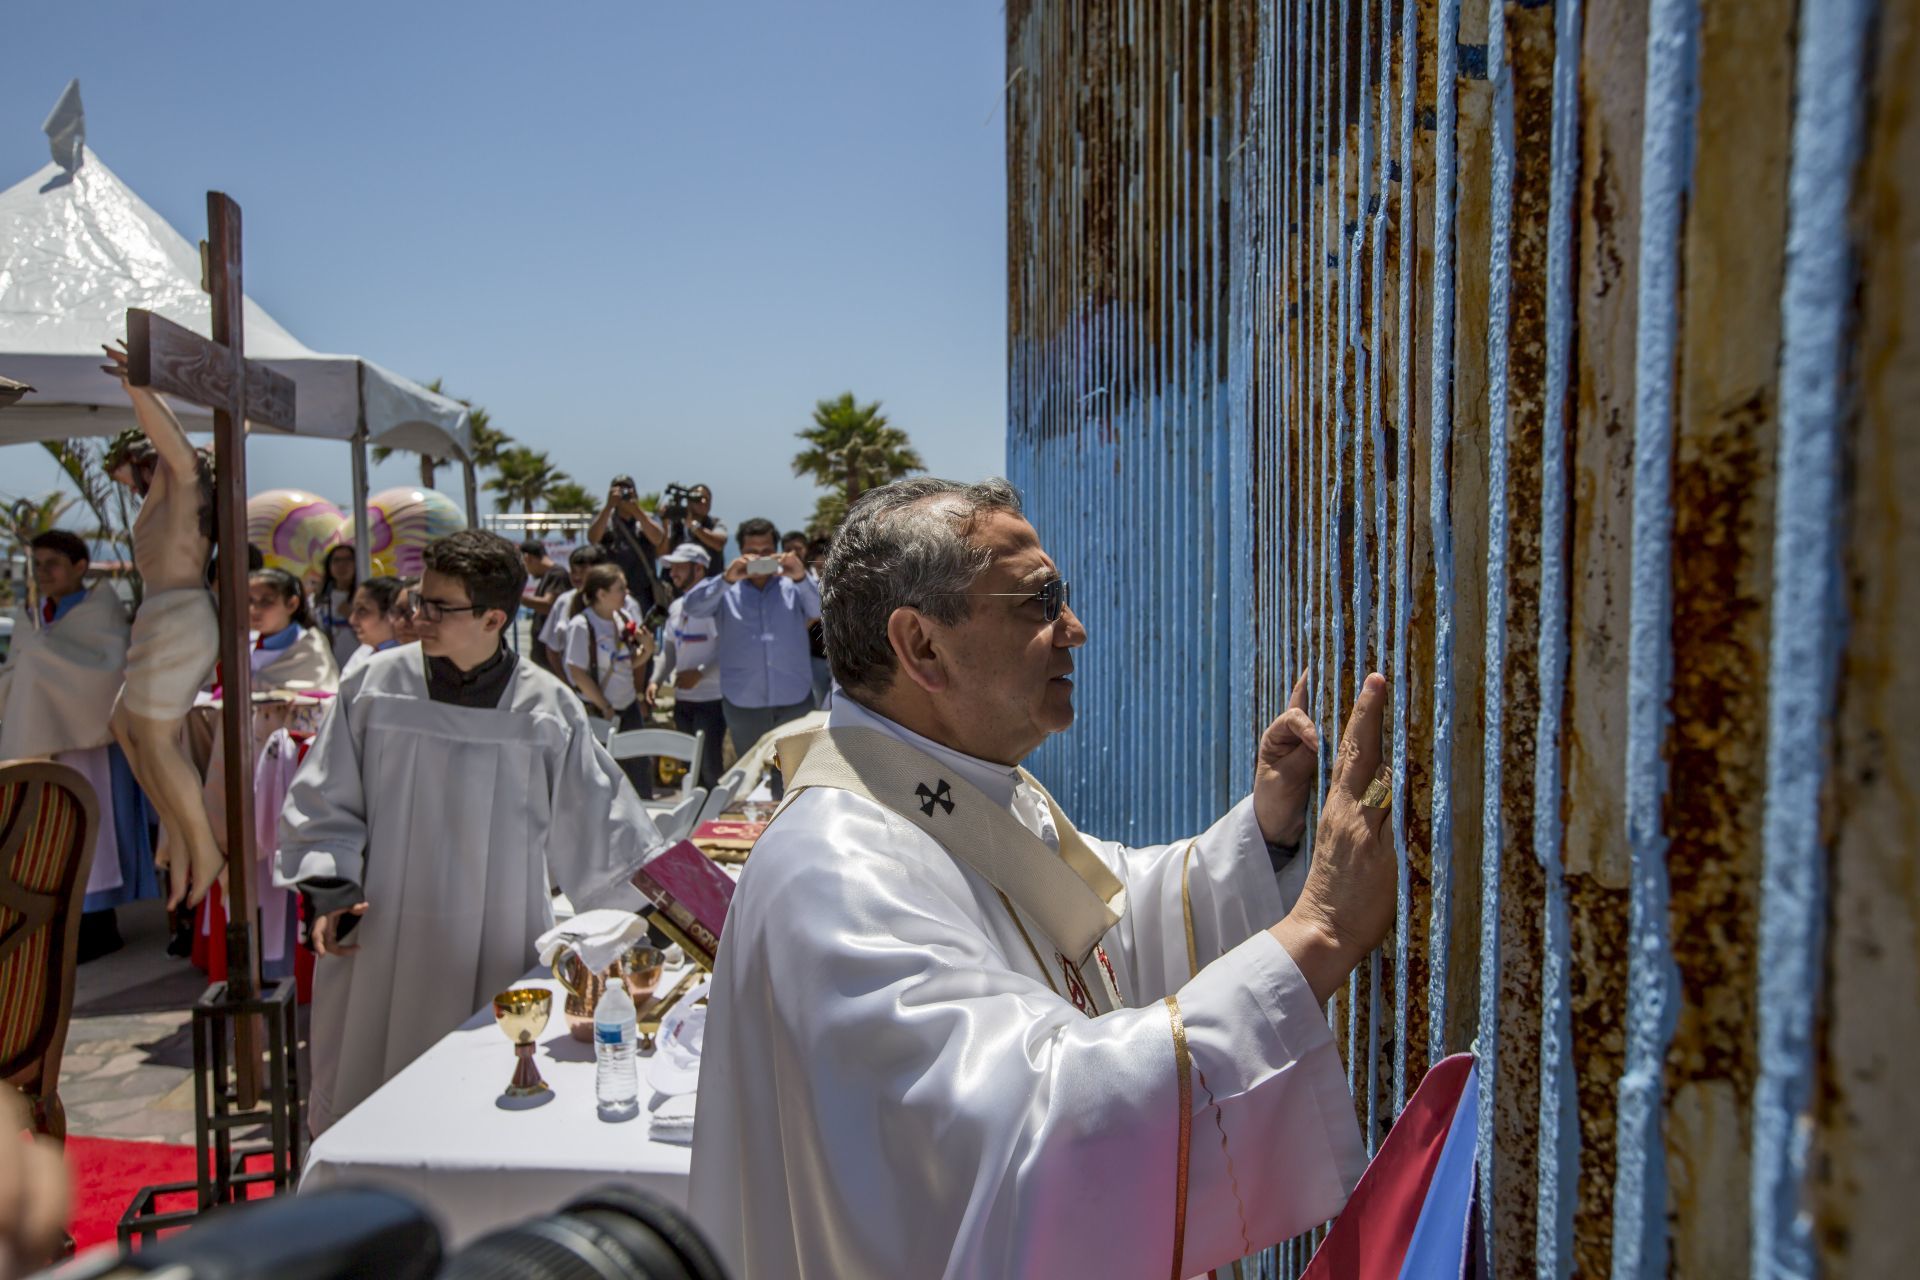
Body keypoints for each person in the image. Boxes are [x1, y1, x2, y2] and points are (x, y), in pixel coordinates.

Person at [688, 478, 1390, 1277]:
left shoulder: (945, 784)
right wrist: (1318, 937)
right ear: (921, 646)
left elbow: (1102, 927)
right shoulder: (837, 867)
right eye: (1038, 602)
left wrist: (1266, 834)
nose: (1075, 629)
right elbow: (1031, 1130)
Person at [276, 529, 662, 1135]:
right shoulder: (374, 687)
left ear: (493, 618)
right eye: (417, 601)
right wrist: (329, 887)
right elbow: (324, 799)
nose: (417, 617)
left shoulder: (545, 708)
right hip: (382, 937)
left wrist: (660, 916)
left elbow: (603, 830)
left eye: (437, 607)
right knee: (371, 1105)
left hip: (494, 942)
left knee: (482, 1111)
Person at [100, 344, 225, 911]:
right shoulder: (162, 492)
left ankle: (200, 845)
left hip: (179, 614)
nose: (130, 477)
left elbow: (175, 446)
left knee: (153, 735)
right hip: (162, 612)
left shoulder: (186, 474)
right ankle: (176, 829)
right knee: (126, 723)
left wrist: (140, 391)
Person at [0, 530, 155, 960]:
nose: (43, 573)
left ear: (80, 567)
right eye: (38, 565)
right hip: (44, 742)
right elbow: (18, 671)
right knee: (49, 832)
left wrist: (44, 669)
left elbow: (108, 675)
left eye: (52, 563)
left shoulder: (101, 614)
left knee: (96, 830)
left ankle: (99, 927)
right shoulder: (33, 616)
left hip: (89, 743)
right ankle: (61, 925)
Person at [678, 517, 818, 789]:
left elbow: (822, 610)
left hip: (794, 698)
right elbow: (692, 607)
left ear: (777, 551)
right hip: (743, 701)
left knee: (797, 777)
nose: (760, 558)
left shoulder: (794, 586)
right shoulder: (725, 590)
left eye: (766, 551)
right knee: (750, 776)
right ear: (740, 553)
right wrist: (725, 579)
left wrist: (800, 576)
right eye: (752, 552)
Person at [562, 563, 659, 794]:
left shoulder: (621, 618)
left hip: (627, 706)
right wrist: (604, 706)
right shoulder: (582, 625)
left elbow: (624, 662)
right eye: (621, 588)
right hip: (600, 710)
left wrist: (646, 650)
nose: (626, 593)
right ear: (601, 594)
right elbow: (576, 671)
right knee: (602, 775)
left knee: (639, 768)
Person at [648, 543, 725, 789]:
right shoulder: (675, 606)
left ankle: (713, 824)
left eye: (680, 567)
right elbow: (670, 649)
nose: (673, 573)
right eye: (671, 568)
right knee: (690, 768)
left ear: (699, 569)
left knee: (710, 768)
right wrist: (656, 680)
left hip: (711, 699)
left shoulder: (715, 605)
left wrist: (700, 674)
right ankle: (694, 822)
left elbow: (729, 649)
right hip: (683, 700)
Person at [587, 477, 671, 610]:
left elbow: (658, 538)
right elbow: (593, 538)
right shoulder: (605, 520)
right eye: (618, 490)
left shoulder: (645, 519)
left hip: (644, 592)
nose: (623, 494)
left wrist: (636, 510)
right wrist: (609, 506)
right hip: (612, 590)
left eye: (627, 490)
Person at [539, 544, 615, 671]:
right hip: (573, 687)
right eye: (573, 571)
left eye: (583, 571)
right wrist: (563, 679)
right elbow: (552, 648)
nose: (576, 576)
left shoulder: (619, 600)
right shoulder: (564, 601)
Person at [519, 540, 571, 673]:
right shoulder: (548, 576)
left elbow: (548, 605)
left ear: (527, 558)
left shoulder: (557, 574)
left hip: (551, 656)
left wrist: (517, 597)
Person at [340, 576, 407, 678]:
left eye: (362, 611)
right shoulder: (363, 652)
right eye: (353, 610)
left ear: (392, 614)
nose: (352, 620)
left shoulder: (409, 659)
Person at [313, 544, 360, 668]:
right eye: (336, 560)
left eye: (348, 560)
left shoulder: (365, 597)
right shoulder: (319, 598)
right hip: (328, 663)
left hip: (357, 660)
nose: (341, 565)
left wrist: (351, 616)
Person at [804, 534, 833, 708]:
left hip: (841, 655)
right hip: (816, 655)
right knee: (819, 699)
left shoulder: (844, 583)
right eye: (819, 563)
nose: (822, 566)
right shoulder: (805, 585)